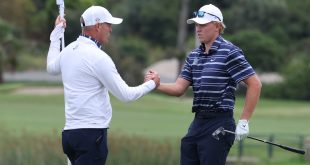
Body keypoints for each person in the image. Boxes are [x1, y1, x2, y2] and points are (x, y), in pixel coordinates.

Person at [146, 4, 262, 165]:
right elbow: (179, 88)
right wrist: (157, 85)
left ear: (217, 26)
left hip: (220, 122)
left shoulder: (230, 52)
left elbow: (255, 84)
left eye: (203, 25)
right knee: (186, 148)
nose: (198, 29)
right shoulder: (194, 55)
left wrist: (244, 121)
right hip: (198, 121)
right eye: (196, 25)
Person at [46, 6, 159, 165]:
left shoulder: (68, 51)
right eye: (108, 25)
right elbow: (126, 95)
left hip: (70, 136)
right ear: (98, 25)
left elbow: (51, 67)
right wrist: (151, 84)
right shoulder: (99, 58)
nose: (111, 30)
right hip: (91, 136)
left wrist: (56, 33)